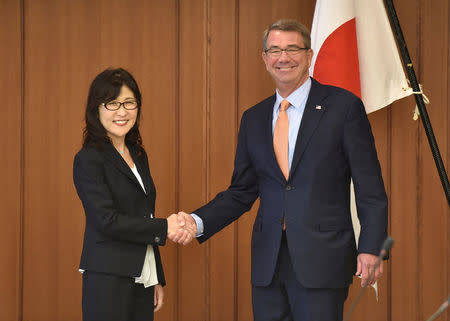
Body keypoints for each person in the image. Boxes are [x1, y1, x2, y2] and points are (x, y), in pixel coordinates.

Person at [175, 19, 388, 321]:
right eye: (274, 50)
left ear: (309, 55)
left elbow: (370, 187)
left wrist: (371, 247)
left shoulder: (344, 108)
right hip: (269, 262)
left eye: (292, 49)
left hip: (322, 259)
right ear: (264, 59)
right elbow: (242, 191)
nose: (283, 58)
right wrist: (196, 222)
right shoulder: (254, 118)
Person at [73, 68, 190, 321]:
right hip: (108, 277)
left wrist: (154, 273)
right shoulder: (88, 159)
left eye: (129, 103)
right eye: (112, 103)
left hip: (141, 274)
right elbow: (106, 220)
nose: (122, 111)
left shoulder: (137, 154)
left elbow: (143, 215)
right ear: (96, 109)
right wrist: (165, 226)